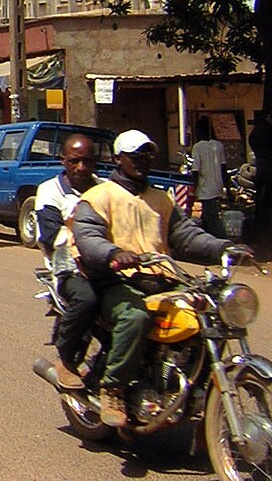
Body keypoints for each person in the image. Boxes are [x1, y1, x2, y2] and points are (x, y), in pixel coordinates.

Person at [72, 129, 239, 428]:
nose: (143, 161)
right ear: (118, 158)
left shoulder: (161, 199)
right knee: (134, 317)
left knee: (208, 313)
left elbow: (187, 237)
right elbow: (87, 238)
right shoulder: (98, 197)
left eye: (147, 155)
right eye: (135, 156)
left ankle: (195, 387)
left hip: (161, 280)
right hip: (116, 281)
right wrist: (114, 252)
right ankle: (113, 389)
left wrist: (224, 247)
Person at [34, 134, 101, 390]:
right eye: (75, 161)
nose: (81, 168)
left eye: (87, 161)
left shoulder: (105, 189)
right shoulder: (50, 191)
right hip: (68, 269)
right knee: (88, 299)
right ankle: (66, 357)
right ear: (63, 160)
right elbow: (51, 236)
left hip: (106, 265)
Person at [191, 119, 227, 237]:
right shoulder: (218, 145)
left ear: (198, 132)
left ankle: (223, 240)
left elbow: (195, 171)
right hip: (218, 186)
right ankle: (205, 237)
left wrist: (193, 189)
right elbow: (223, 168)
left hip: (206, 188)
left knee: (212, 218)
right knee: (207, 217)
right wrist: (227, 187)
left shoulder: (197, 148)